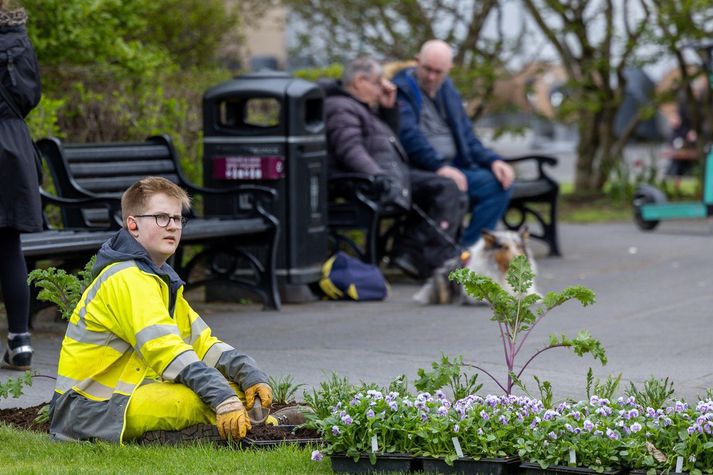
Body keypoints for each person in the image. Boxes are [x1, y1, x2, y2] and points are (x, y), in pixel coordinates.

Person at [49, 177, 276, 443]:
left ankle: (257, 425)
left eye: (177, 219)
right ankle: (270, 427)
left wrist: (248, 373)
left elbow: (202, 343)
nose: (172, 227)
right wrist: (222, 396)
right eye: (160, 217)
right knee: (200, 401)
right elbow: (167, 350)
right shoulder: (127, 277)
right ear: (132, 224)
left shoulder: (159, 278)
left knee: (234, 392)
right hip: (89, 409)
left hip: (125, 394)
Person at [325, 56, 467, 279]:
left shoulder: (362, 107)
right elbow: (351, 150)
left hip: (389, 176)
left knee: (453, 191)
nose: (384, 86)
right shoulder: (342, 108)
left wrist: (389, 109)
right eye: (378, 81)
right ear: (359, 81)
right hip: (367, 183)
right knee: (445, 188)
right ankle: (422, 256)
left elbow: (386, 144)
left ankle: (417, 253)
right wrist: (377, 176)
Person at [392, 39, 515, 247]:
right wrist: (439, 167)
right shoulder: (401, 90)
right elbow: (409, 138)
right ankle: (450, 256)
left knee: (498, 184)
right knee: (452, 186)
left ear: (449, 69)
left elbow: (466, 136)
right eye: (427, 69)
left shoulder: (448, 91)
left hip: (455, 167)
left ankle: (467, 251)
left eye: (438, 72)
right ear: (416, 61)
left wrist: (494, 161)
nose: (432, 77)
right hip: (421, 170)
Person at [0, 2, 42, 370]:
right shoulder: (18, 39)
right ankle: (20, 342)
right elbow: (31, 95)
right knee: (10, 246)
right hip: (13, 145)